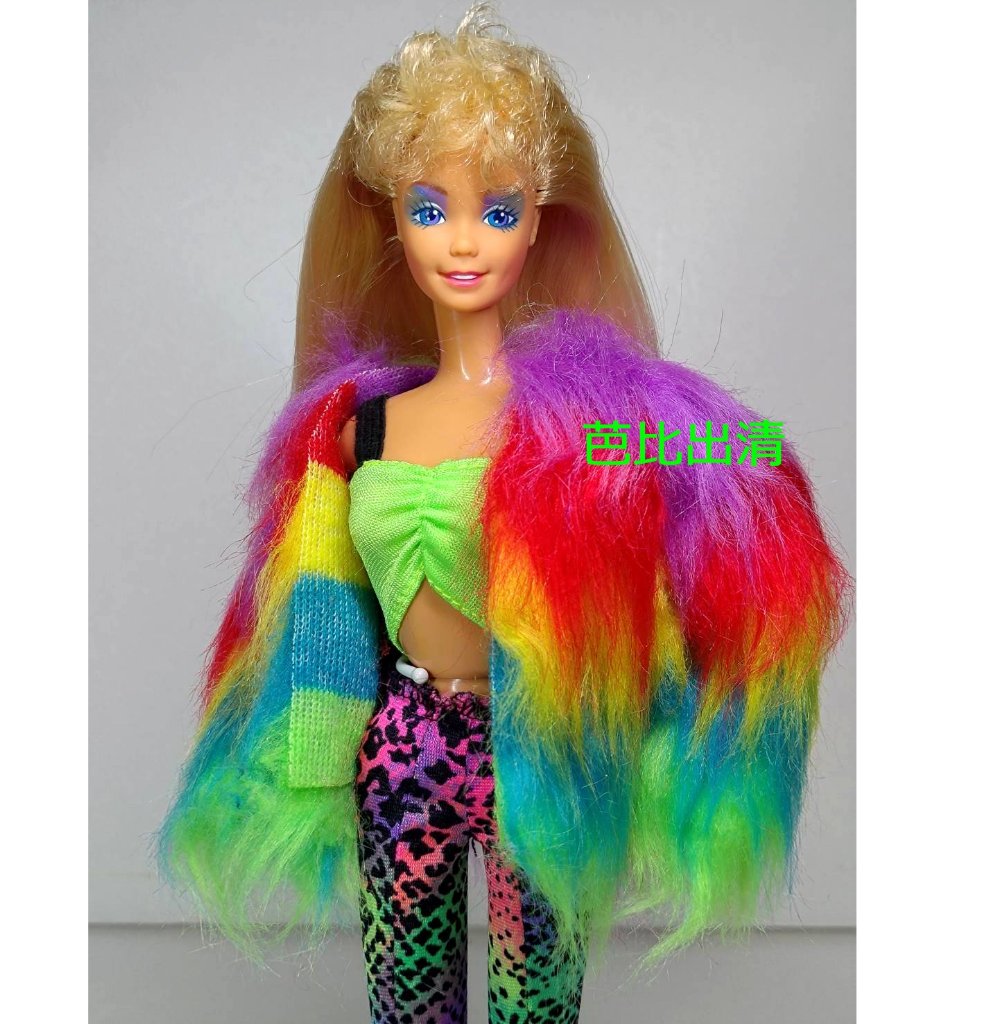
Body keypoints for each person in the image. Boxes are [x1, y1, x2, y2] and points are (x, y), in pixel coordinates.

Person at [153, 5, 852, 1022]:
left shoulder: (583, 429)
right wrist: (311, 767)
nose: (462, 240)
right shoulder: (357, 428)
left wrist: (678, 425)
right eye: (429, 207)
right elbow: (324, 614)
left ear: (538, 220)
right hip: (401, 743)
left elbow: (751, 463)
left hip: (541, 741)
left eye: (497, 208)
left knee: (538, 1000)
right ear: (391, 220)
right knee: (405, 996)